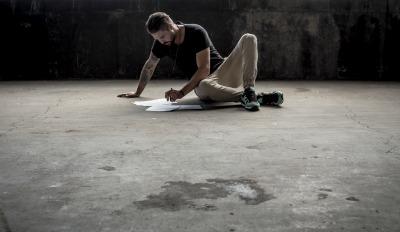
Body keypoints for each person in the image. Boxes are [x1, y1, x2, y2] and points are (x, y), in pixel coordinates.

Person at [118, 12, 283, 111]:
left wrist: (181, 93)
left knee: (249, 38)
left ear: (170, 25)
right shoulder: (162, 44)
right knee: (203, 85)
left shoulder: (195, 31)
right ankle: (255, 98)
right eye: (157, 39)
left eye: (162, 36)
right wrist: (137, 92)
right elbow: (149, 66)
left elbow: (204, 69)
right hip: (207, 86)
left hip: (225, 71)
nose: (161, 41)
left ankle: (249, 90)